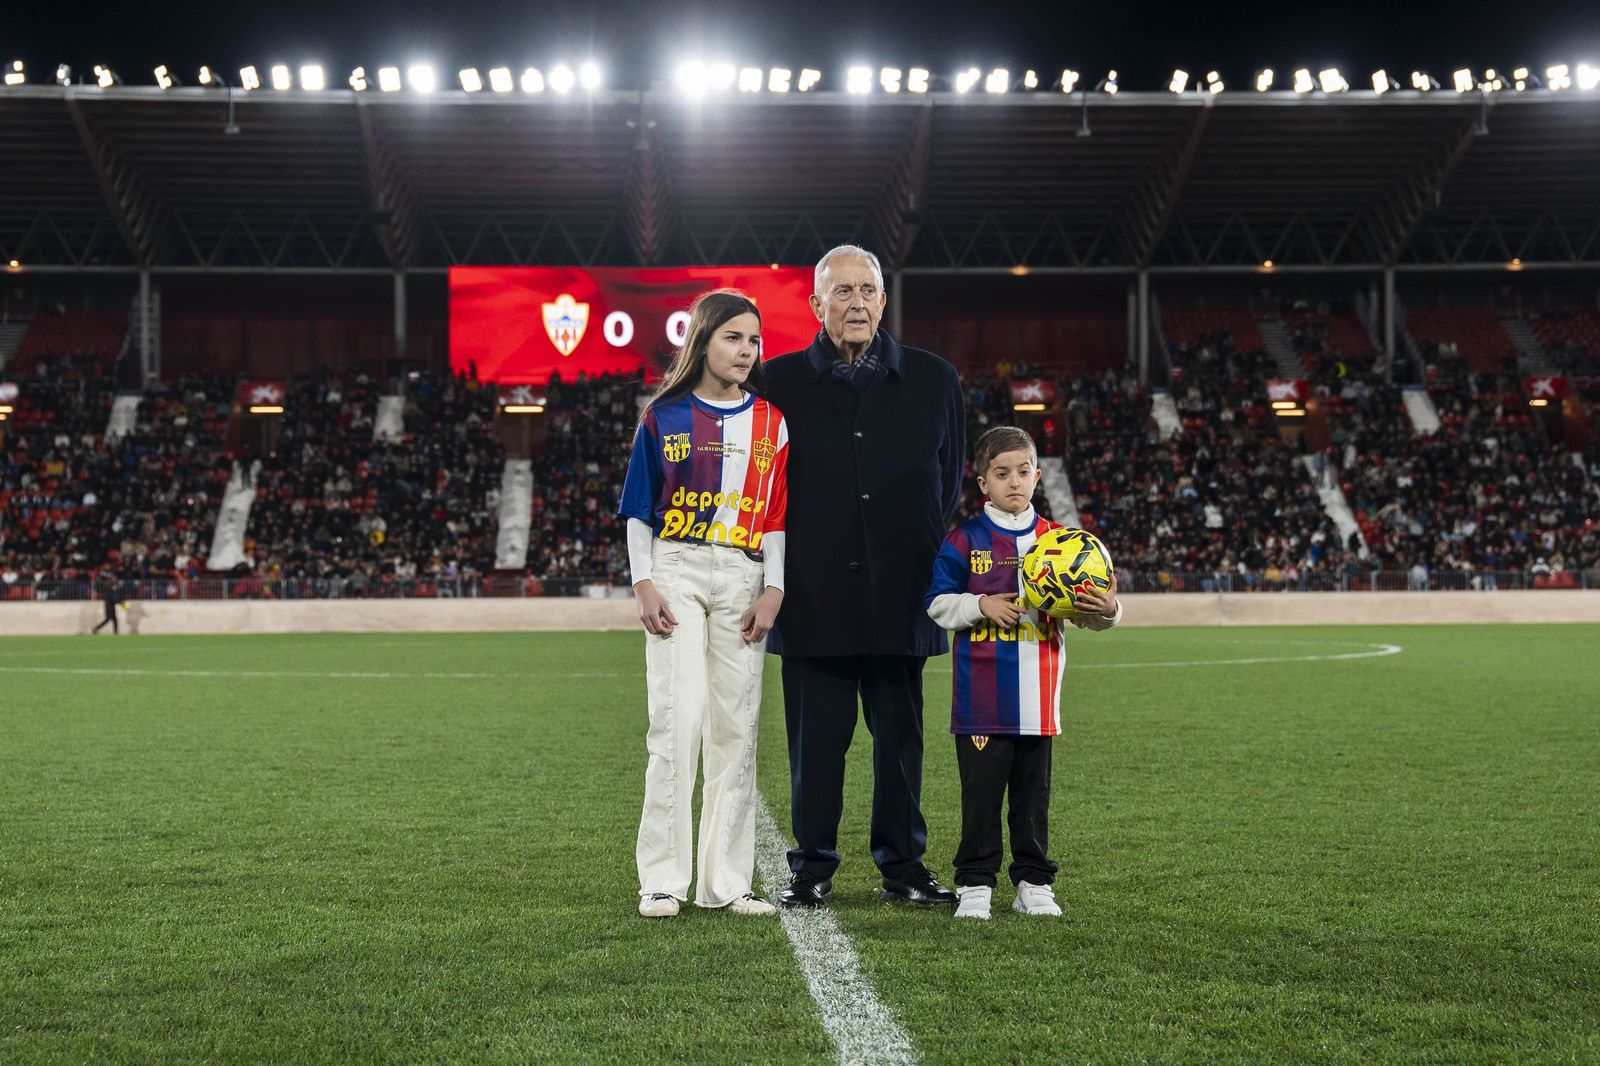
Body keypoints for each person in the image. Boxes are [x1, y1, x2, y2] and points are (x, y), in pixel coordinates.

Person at [764, 245, 965, 908]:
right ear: (816, 305)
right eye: (841, 291)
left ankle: (903, 867)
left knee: (901, 748)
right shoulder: (778, 383)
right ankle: (812, 868)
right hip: (813, 603)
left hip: (903, 600)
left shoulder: (936, 381)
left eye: (868, 290)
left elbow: (951, 482)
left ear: (884, 300)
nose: (856, 303)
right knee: (814, 751)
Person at [617, 289, 789, 919]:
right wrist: (643, 582)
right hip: (677, 568)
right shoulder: (662, 415)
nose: (745, 351)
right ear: (704, 342)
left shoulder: (774, 422)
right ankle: (662, 879)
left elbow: (775, 515)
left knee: (736, 730)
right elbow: (640, 504)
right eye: (732, 338)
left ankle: (727, 882)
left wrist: (774, 587)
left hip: (744, 576)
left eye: (753, 340)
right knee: (676, 721)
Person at [925, 426, 1122, 920]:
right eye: (1001, 473)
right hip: (981, 699)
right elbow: (935, 604)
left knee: (1033, 798)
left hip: (1039, 695)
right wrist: (979, 604)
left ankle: (1034, 881)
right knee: (982, 797)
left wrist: (1109, 609)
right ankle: (974, 883)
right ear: (982, 482)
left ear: (1038, 475)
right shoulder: (964, 539)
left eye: (1023, 471)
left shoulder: (1066, 542)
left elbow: (1093, 614)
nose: (1014, 481)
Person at [91, 571, 121, 635]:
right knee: (109, 619)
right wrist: (121, 602)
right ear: (112, 586)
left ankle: (115, 632)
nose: (116, 587)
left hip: (110, 607)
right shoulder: (109, 591)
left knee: (112, 619)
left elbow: (115, 599)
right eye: (115, 586)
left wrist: (120, 602)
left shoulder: (111, 591)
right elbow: (113, 599)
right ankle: (96, 628)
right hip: (109, 608)